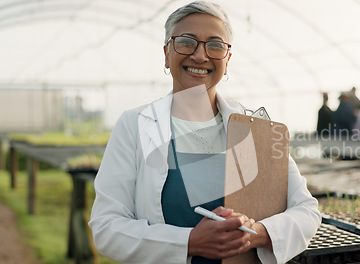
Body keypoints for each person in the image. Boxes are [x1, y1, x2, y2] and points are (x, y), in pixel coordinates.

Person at [88, 2, 321, 263]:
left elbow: (306, 210)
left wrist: (256, 234)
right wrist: (189, 242)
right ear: (167, 53)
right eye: (187, 42)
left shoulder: (253, 127)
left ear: (227, 59)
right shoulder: (136, 125)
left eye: (215, 45)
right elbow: (107, 226)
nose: (200, 56)